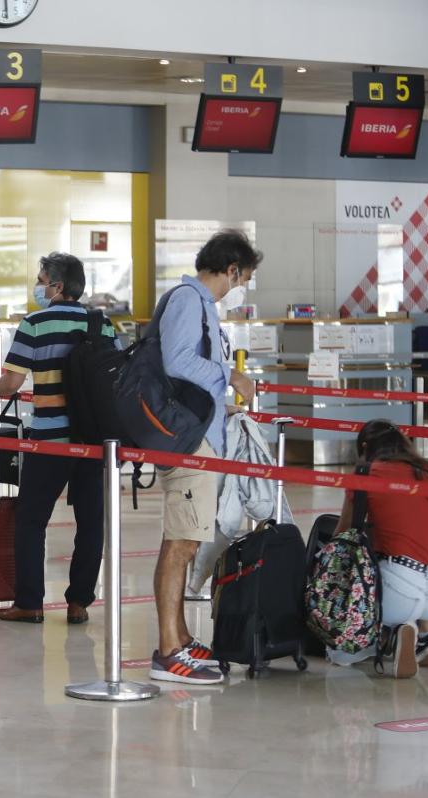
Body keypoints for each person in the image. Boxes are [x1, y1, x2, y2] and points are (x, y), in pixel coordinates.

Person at [150, 230, 260, 685]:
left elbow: (188, 377)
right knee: (180, 544)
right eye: (243, 278)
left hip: (198, 433)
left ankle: (179, 635)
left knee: (186, 540)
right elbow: (175, 362)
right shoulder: (188, 301)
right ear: (231, 268)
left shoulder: (200, 307)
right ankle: (168, 651)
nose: (241, 287)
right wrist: (229, 373)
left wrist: (221, 402)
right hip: (187, 441)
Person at [0, 253, 117, 625]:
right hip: (93, 439)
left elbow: (11, 383)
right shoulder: (101, 323)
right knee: (90, 523)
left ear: (57, 286)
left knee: (31, 520)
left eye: (41, 279)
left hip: (49, 440)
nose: (38, 286)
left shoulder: (35, 323)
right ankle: (79, 603)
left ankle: (30, 603)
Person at [329, 420, 428, 678]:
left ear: (365, 446)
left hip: (400, 590)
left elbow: (343, 534)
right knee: (419, 551)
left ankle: (394, 631)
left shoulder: (366, 474)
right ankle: (427, 634)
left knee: (340, 653)